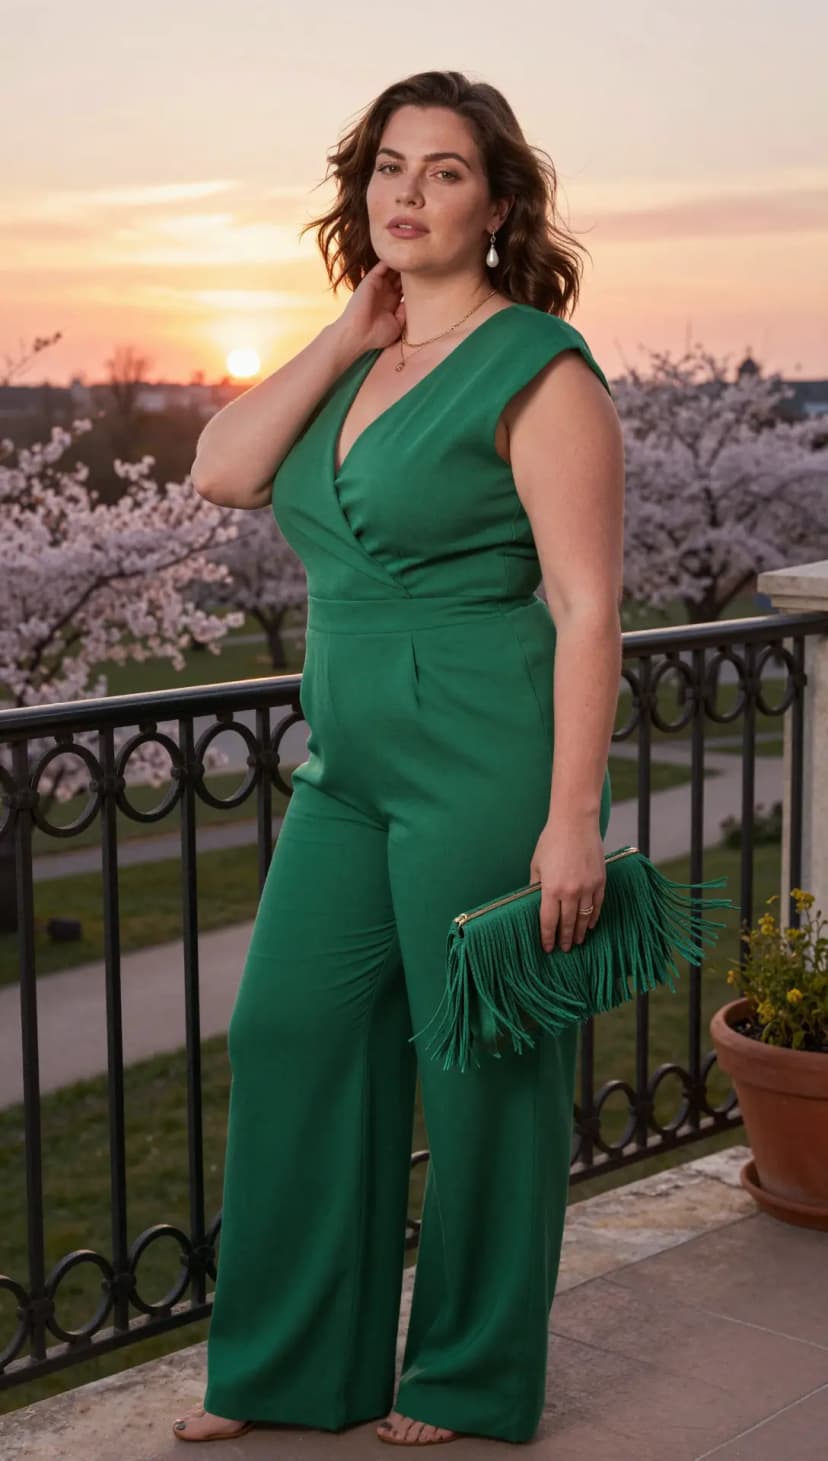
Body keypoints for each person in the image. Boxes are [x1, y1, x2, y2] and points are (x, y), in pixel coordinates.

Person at [173, 68, 624, 1449]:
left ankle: (472, 1376)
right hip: (349, 766)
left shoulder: (538, 364)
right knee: (291, 1029)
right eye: (386, 168)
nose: (406, 194)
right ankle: (291, 1365)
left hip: (482, 755)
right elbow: (222, 469)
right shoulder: (358, 359)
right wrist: (341, 329)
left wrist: (571, 820)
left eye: (441, 172)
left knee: (481, 1065)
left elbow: (591, 604)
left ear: (496, 204)